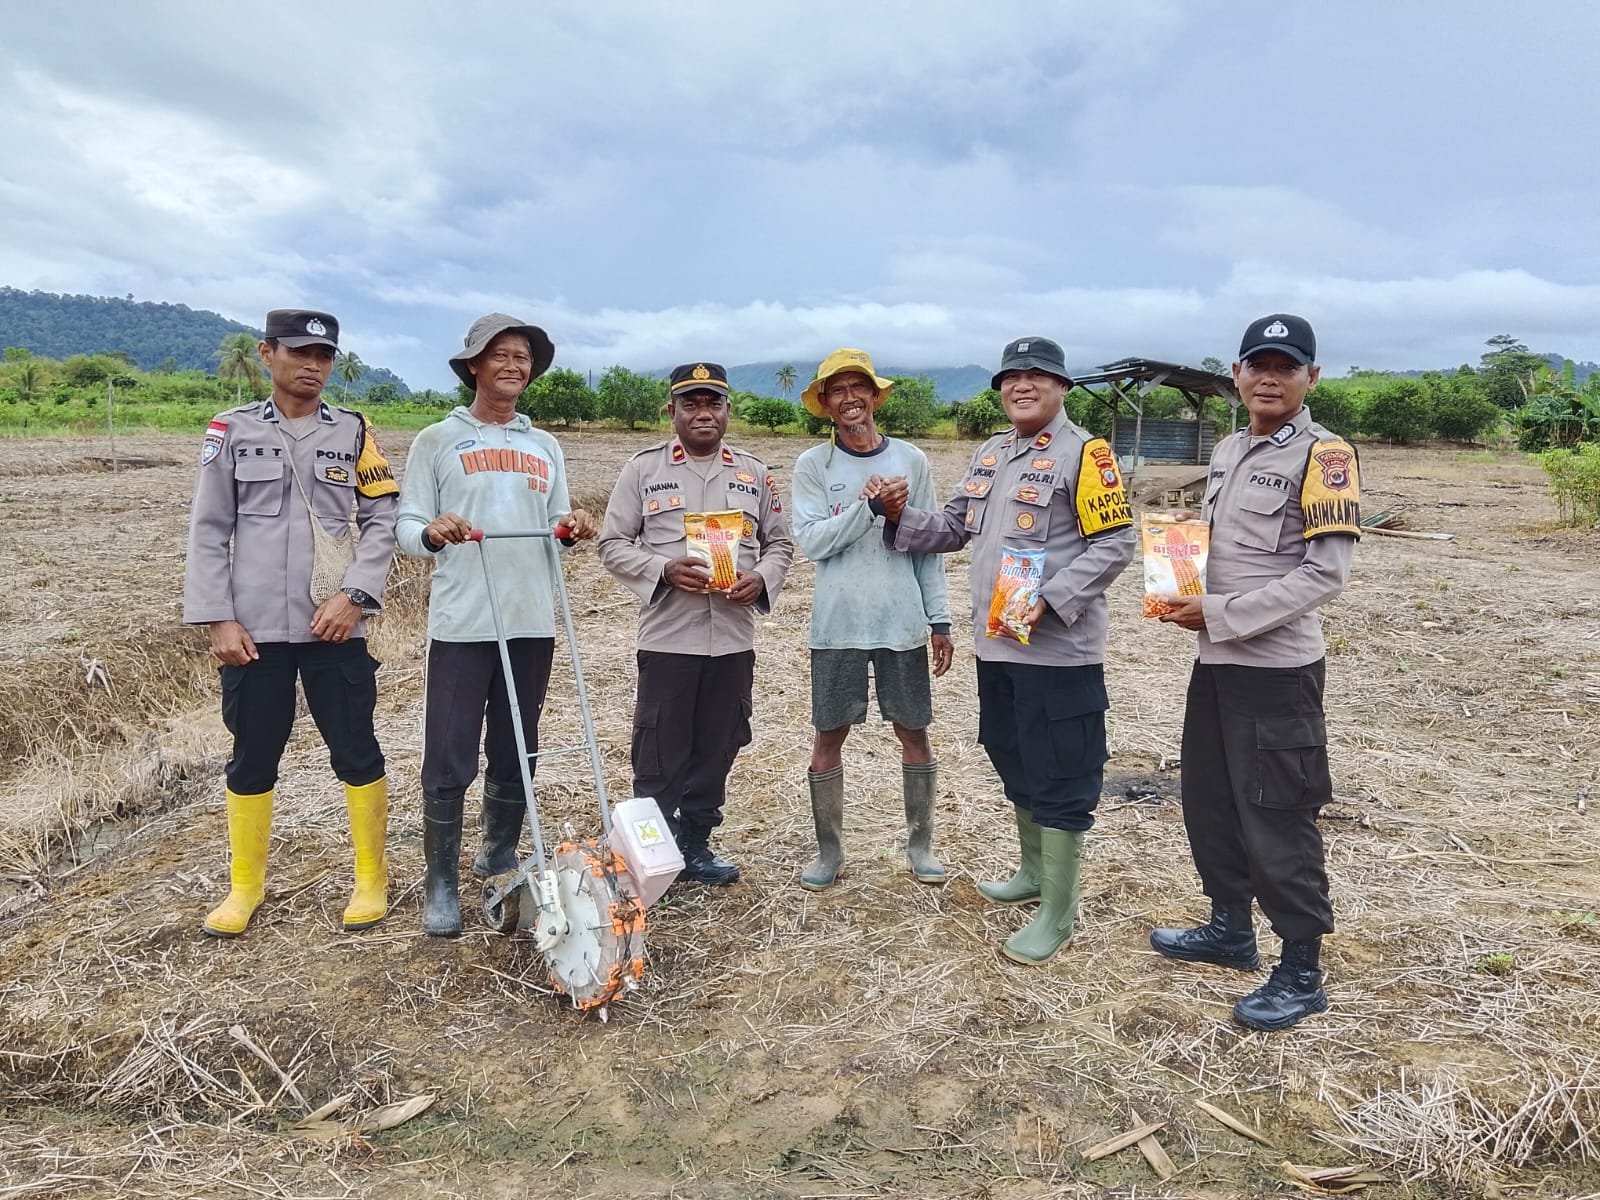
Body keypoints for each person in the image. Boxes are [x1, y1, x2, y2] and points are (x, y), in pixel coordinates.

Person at [877, 337, 1135, 964]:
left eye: (1037, 375)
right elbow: (953, 527)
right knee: (1011, 751)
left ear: (1062, 387)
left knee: (1062, 770)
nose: (1022, 385)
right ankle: (1032, 873)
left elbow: (1115, 543)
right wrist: (898, 514)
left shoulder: (1087, 454)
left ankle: (1059, 911)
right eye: (1011, 377)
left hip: (1058, 652)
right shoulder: (991, 452)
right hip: (997, 645)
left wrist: (1052, 597)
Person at [1149, 313, 1360, 1032]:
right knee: (1210, 801)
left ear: (1311, 377)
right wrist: (1178, 583)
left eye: (1286, 367)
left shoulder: (1326, 456)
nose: (1270, 378)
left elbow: (1324, 574)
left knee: (1277, 815)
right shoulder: (1229, 449)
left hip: (1275, 670)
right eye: (1258, 365)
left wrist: (1220, 612)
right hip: (1216, 663)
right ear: (1237, 373)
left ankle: (1300, 969)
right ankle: (1229, 928)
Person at [184, 308, 399, 937]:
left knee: (356, 748)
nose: (313, 366)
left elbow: (381, 520)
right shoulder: (231, 430)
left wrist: (355, 595)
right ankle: (245, 886)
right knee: (253, 755)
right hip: (253, 633)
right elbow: (209, 530)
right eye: (300, 352)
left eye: (324, 356)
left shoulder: (354, 432)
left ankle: (371, 878)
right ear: (267, 353)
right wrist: (218, 618)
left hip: (335, 627)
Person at [394, 313, 597, 937]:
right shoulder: (437, 440)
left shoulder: (545, 446)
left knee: (517, 743)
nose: (514, 365)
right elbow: (407, 527)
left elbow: (558, 521)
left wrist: (573, 527)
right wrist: (433, 531)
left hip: (530, 619)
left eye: (523, 357)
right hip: (463, 623)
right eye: (500, 354)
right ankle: (441, 882)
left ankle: (498, 852)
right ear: (474, 366)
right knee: (449, 752)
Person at [598, 362, 794, 884]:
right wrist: (662, 569)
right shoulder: (643, 470)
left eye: (713, 403)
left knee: (718, 743)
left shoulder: (754, 474)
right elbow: (612, 544)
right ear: (673, 411)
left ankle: (696, 845)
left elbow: (780, 543)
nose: (703, 413)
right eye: (691, 404)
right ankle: (652, 857)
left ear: (728, 410)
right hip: (669, 637)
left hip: (731, 639)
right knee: (659, 750)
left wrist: (761, 580)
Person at [790, 348, 953, 890]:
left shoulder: (911, 460)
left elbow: (928, 544)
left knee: (914, 731)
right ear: (825, 404)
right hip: (837, 625)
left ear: (875, 397)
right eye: (837, 390)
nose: (850, 398)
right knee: (828, 735)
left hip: (900, 622)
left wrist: (940, 620)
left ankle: (921, 846)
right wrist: (870, 511)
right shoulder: (814, 466)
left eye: (859, 387)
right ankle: (829, 853)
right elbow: (813, 542)